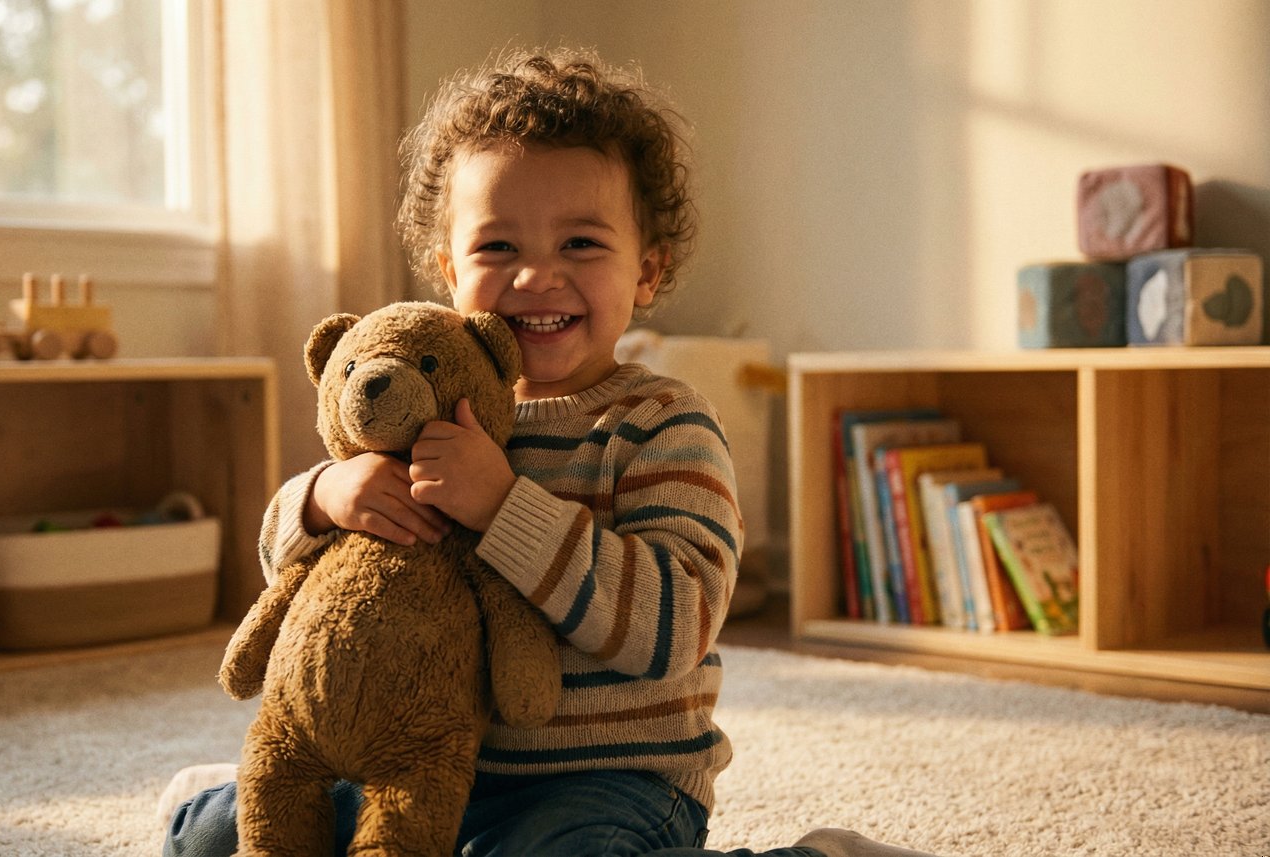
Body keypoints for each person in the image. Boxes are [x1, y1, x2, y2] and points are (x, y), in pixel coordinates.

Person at [163, 47, 942, 857]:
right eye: (498, 248)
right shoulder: (419, 404)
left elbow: (675, 626)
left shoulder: (662, 423)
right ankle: (202, 799)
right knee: (227, 836)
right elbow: (293, 574)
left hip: (607, 784)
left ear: (648, 269)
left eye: (580, 244)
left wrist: (502, 506)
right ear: (447, 270)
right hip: (411, 762)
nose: (537, 275)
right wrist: (325, 493)